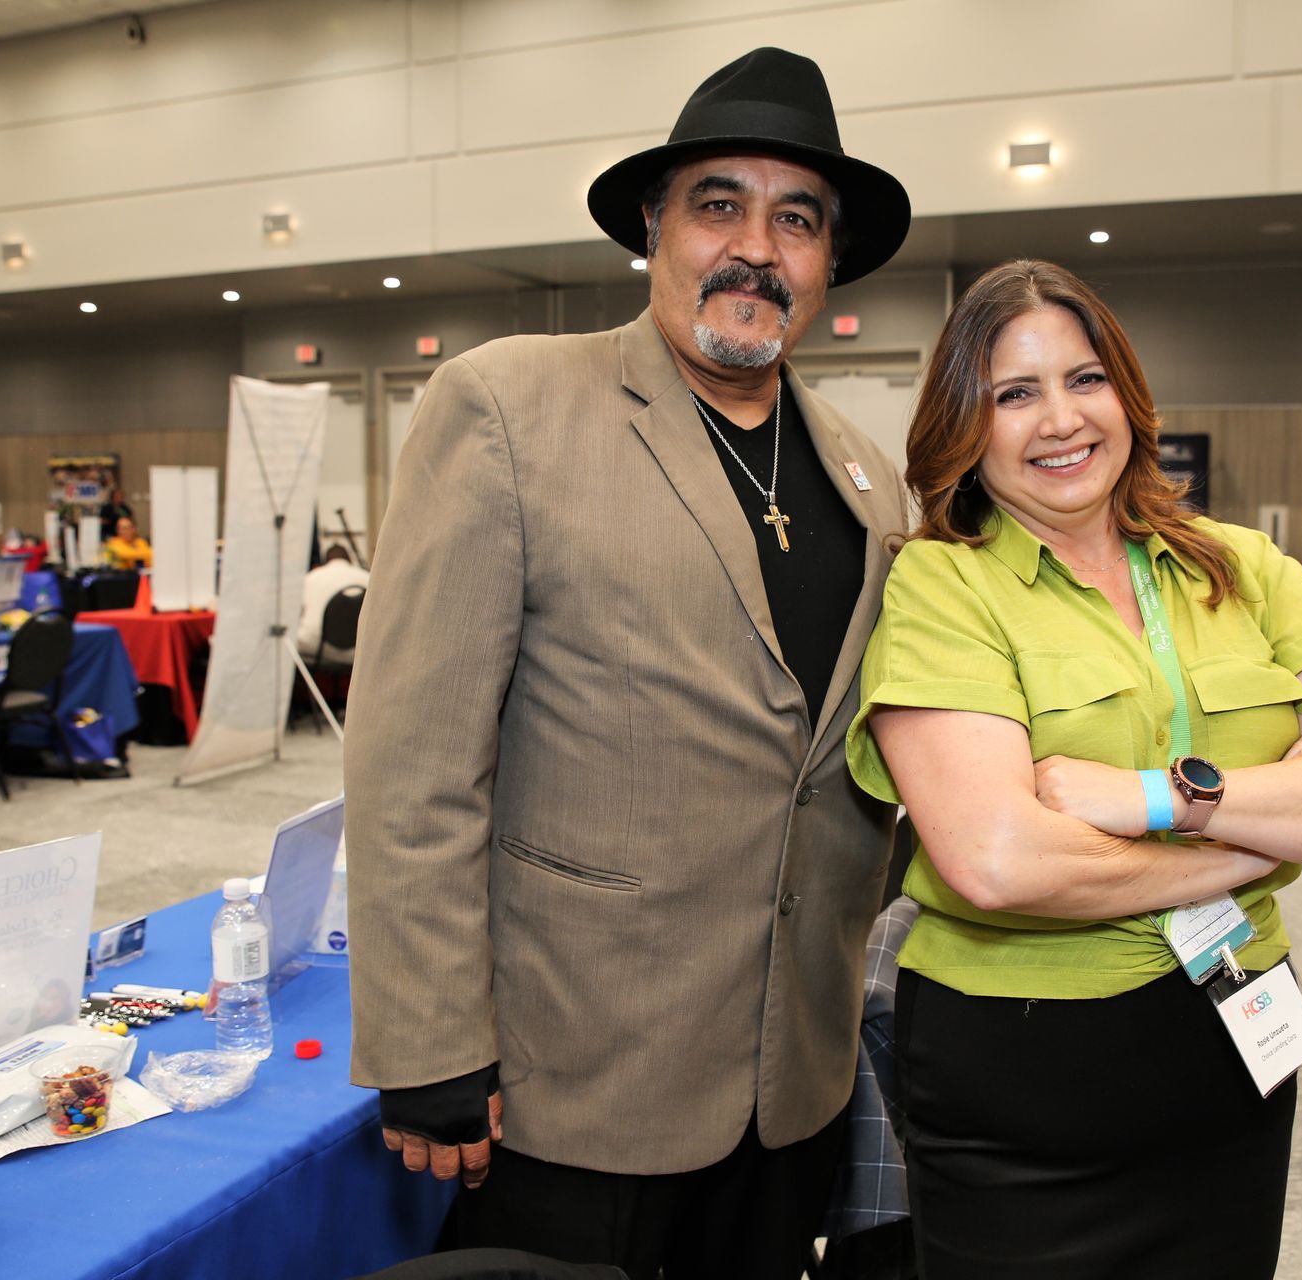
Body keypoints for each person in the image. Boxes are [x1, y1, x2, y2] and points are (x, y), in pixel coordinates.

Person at [343, 47, 911, 1280]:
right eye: (719, 204)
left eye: (797, 219)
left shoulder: (875, 479)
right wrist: (430, 1040)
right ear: (654, 227)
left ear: (827, 263)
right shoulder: (507, 406)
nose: (756, 246)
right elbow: (411, 756)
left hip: (790, 1079)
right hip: (573, 1079)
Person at [844, 260, 1302, 1278]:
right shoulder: (944, 585)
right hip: (1024, 1076)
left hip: (1236, 1041)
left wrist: (1154, 799)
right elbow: (995, 860)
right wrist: (1266, 843)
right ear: (963, 428)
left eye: (1085, 379)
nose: (1060, 419)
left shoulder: (1240, 566)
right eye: (1013, 394)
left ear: (1128, 392)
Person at [297, 544, 370, 661]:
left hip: (317, 651)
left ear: (325, 562)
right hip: (356, 653)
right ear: (350, 560)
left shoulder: (310, 578)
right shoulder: (367, 578)